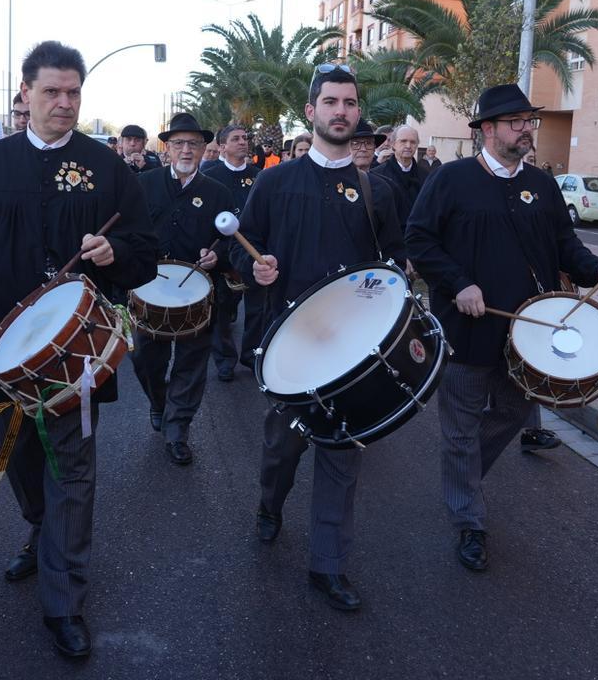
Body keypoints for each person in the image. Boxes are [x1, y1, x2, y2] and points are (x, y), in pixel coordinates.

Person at [0, 40, 158, 658]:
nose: (64, 102)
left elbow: (144, 251)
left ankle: (64, 599)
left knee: (74, 471)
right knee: (19, 460)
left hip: (77, 357)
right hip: (3, 353)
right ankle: (42, 531)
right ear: (25, 94)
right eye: (52, 91)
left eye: (74, 92)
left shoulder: (107, 170)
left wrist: (118, 255)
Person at [406, 83, 598, 574]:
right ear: (487, 129)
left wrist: (597, 270)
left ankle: (458, 477)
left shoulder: (544, 185)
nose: (527, 129)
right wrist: (458, 283)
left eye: (530, 121)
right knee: (460, 428)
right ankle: (469, 522)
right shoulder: (451, 180)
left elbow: (565, 243)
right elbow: (419, 240)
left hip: (530, 333)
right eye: (516, 122)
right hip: (466, 331)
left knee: (512, 411)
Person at [234, 65, 404, 612]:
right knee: (283, 448)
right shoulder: (275, 181)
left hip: (351, 352)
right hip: (288, 346)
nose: (341, 111)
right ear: (311, 112)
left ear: (358, 113)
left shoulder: (375, 191)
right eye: (330, 102)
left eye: (350, 103)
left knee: (341, 452)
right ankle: (269, 504)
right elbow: (245, 245)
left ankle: (328, 565)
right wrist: (253, 268)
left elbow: (393, 265)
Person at [132, 113, 234, 465]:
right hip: (149, 291)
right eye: (179, 143)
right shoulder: (144, 184)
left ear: (205, 148)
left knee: (191, 366)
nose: (186, 149)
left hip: (198, 293)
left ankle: (177, 430)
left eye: (193, 143)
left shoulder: (218, 192)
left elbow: (229, 240)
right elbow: (129, 234)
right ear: (168, 148)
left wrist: (216, 255)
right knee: (145, 360)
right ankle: (158, 402)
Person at [203, 124, 262, 381]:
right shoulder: (210, 176)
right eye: (236, 139)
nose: (243, 142)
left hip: (254, 253)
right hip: (222, 255)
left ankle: (252, 354)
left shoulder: (259, 176)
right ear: (222, 146)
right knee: (221, 312)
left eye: (245, 137)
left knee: (257, 310)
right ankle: (225, 359)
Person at [373, 124, 430, 222]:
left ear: (417, 145)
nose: (408, 146)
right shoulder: (378, 175)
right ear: (393, 144)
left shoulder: (426, 176)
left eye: (413, 142)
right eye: (403, 141)